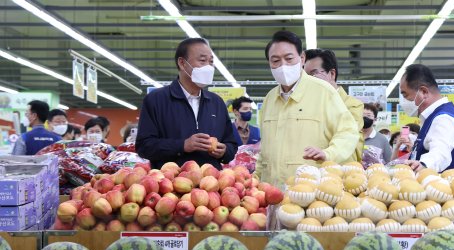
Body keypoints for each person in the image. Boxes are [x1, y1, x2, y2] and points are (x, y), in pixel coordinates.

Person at [256, 31, 360, 185]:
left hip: (311, 193)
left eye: (289, 58)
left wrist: (328, 154)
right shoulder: (269, 99)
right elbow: (265, 149)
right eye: (275, 60)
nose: (283, 65)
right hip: (272, 191)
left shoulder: (324, 92)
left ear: (302, 58)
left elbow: (348, 132)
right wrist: (256, 177)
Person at [136, 38, 237, 170]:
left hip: (211, 185)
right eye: (202, 60)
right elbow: (144, 147)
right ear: (182, 63)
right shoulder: (156, 100)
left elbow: (231, 144)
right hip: (170, 185)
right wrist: (182, 145)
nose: (208, 66)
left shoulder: (216, 102)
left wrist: (224, 151)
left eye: (211, 62)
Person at [399, 64, 454, 173]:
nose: (403, 102)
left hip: (445, 187)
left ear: (423, 92)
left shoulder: (443, 118)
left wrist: (424, 164)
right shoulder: (432, 118)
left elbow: (440, 152)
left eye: (405, 95)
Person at [304, 48, 364, 160]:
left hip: (343, 171)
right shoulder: (308, 104)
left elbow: (347, 138)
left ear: (331, 74)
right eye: (305, 77)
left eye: (314, 74)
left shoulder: (353, 105)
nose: (309, 80)